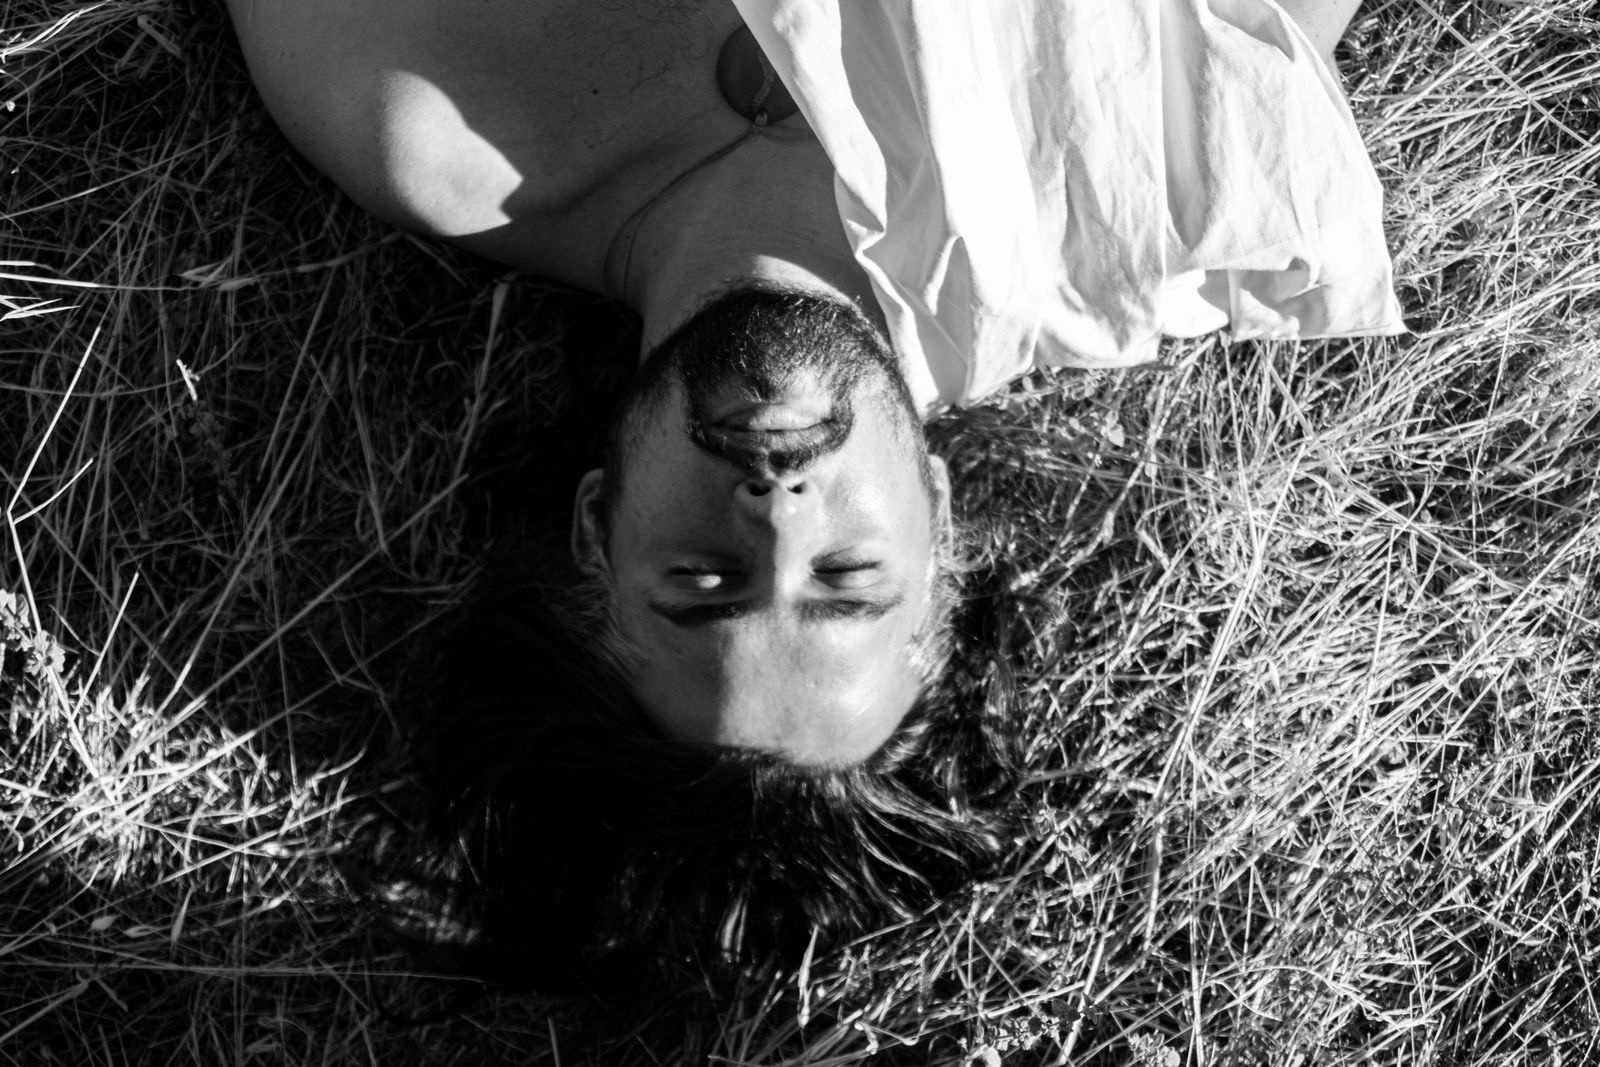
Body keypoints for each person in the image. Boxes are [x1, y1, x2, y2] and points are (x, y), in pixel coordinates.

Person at [225, 0, 1401, 992]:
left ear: (595, 528)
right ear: (937, 517)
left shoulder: (430, 120)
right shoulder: (1148, 180)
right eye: (846, 577)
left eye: (704, 579)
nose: (779, 511)